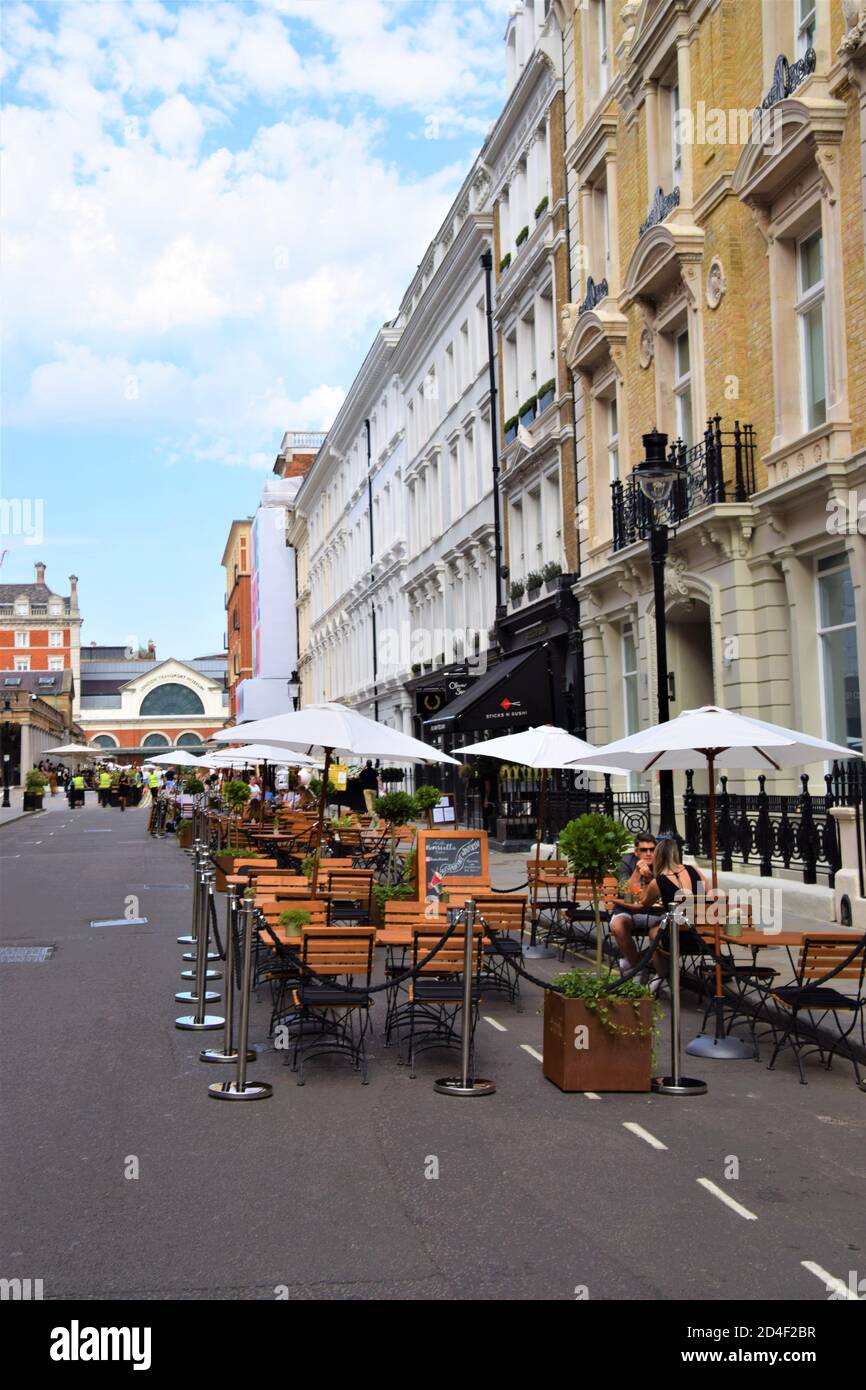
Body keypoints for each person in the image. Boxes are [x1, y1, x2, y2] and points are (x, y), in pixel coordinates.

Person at [636, 837, 713, 989]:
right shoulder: (694, 870)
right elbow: (711, 897)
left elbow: (644, 902)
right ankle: (664, 976)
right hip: (705, 938)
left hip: (678, 940)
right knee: (664, 927)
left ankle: (662, 976)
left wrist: (646, 878)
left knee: (654, 932)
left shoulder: (658, 882)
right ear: (676, 854)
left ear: (658, 856)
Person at [609, 834, 662, 970]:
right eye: (644, 850)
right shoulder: (625, 862)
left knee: (667, 931)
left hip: (656, 913)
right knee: (618, 926)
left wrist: (650, 879)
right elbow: (625, 893)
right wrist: (638, 872)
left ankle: (637, 961)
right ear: (636, 851)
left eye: (652, 849)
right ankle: (637, 970)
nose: (649, 853)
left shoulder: (661, 862)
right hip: (628, 911)